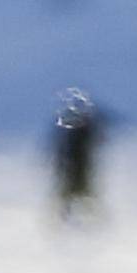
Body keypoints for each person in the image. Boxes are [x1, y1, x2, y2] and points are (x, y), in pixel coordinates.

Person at [49, 89, 104, 222]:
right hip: (74, 166)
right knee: (75, 191)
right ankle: (72, 217)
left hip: (79, 165)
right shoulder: (81, 130)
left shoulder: (81, 130)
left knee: (79, 191)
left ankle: (89, 218)